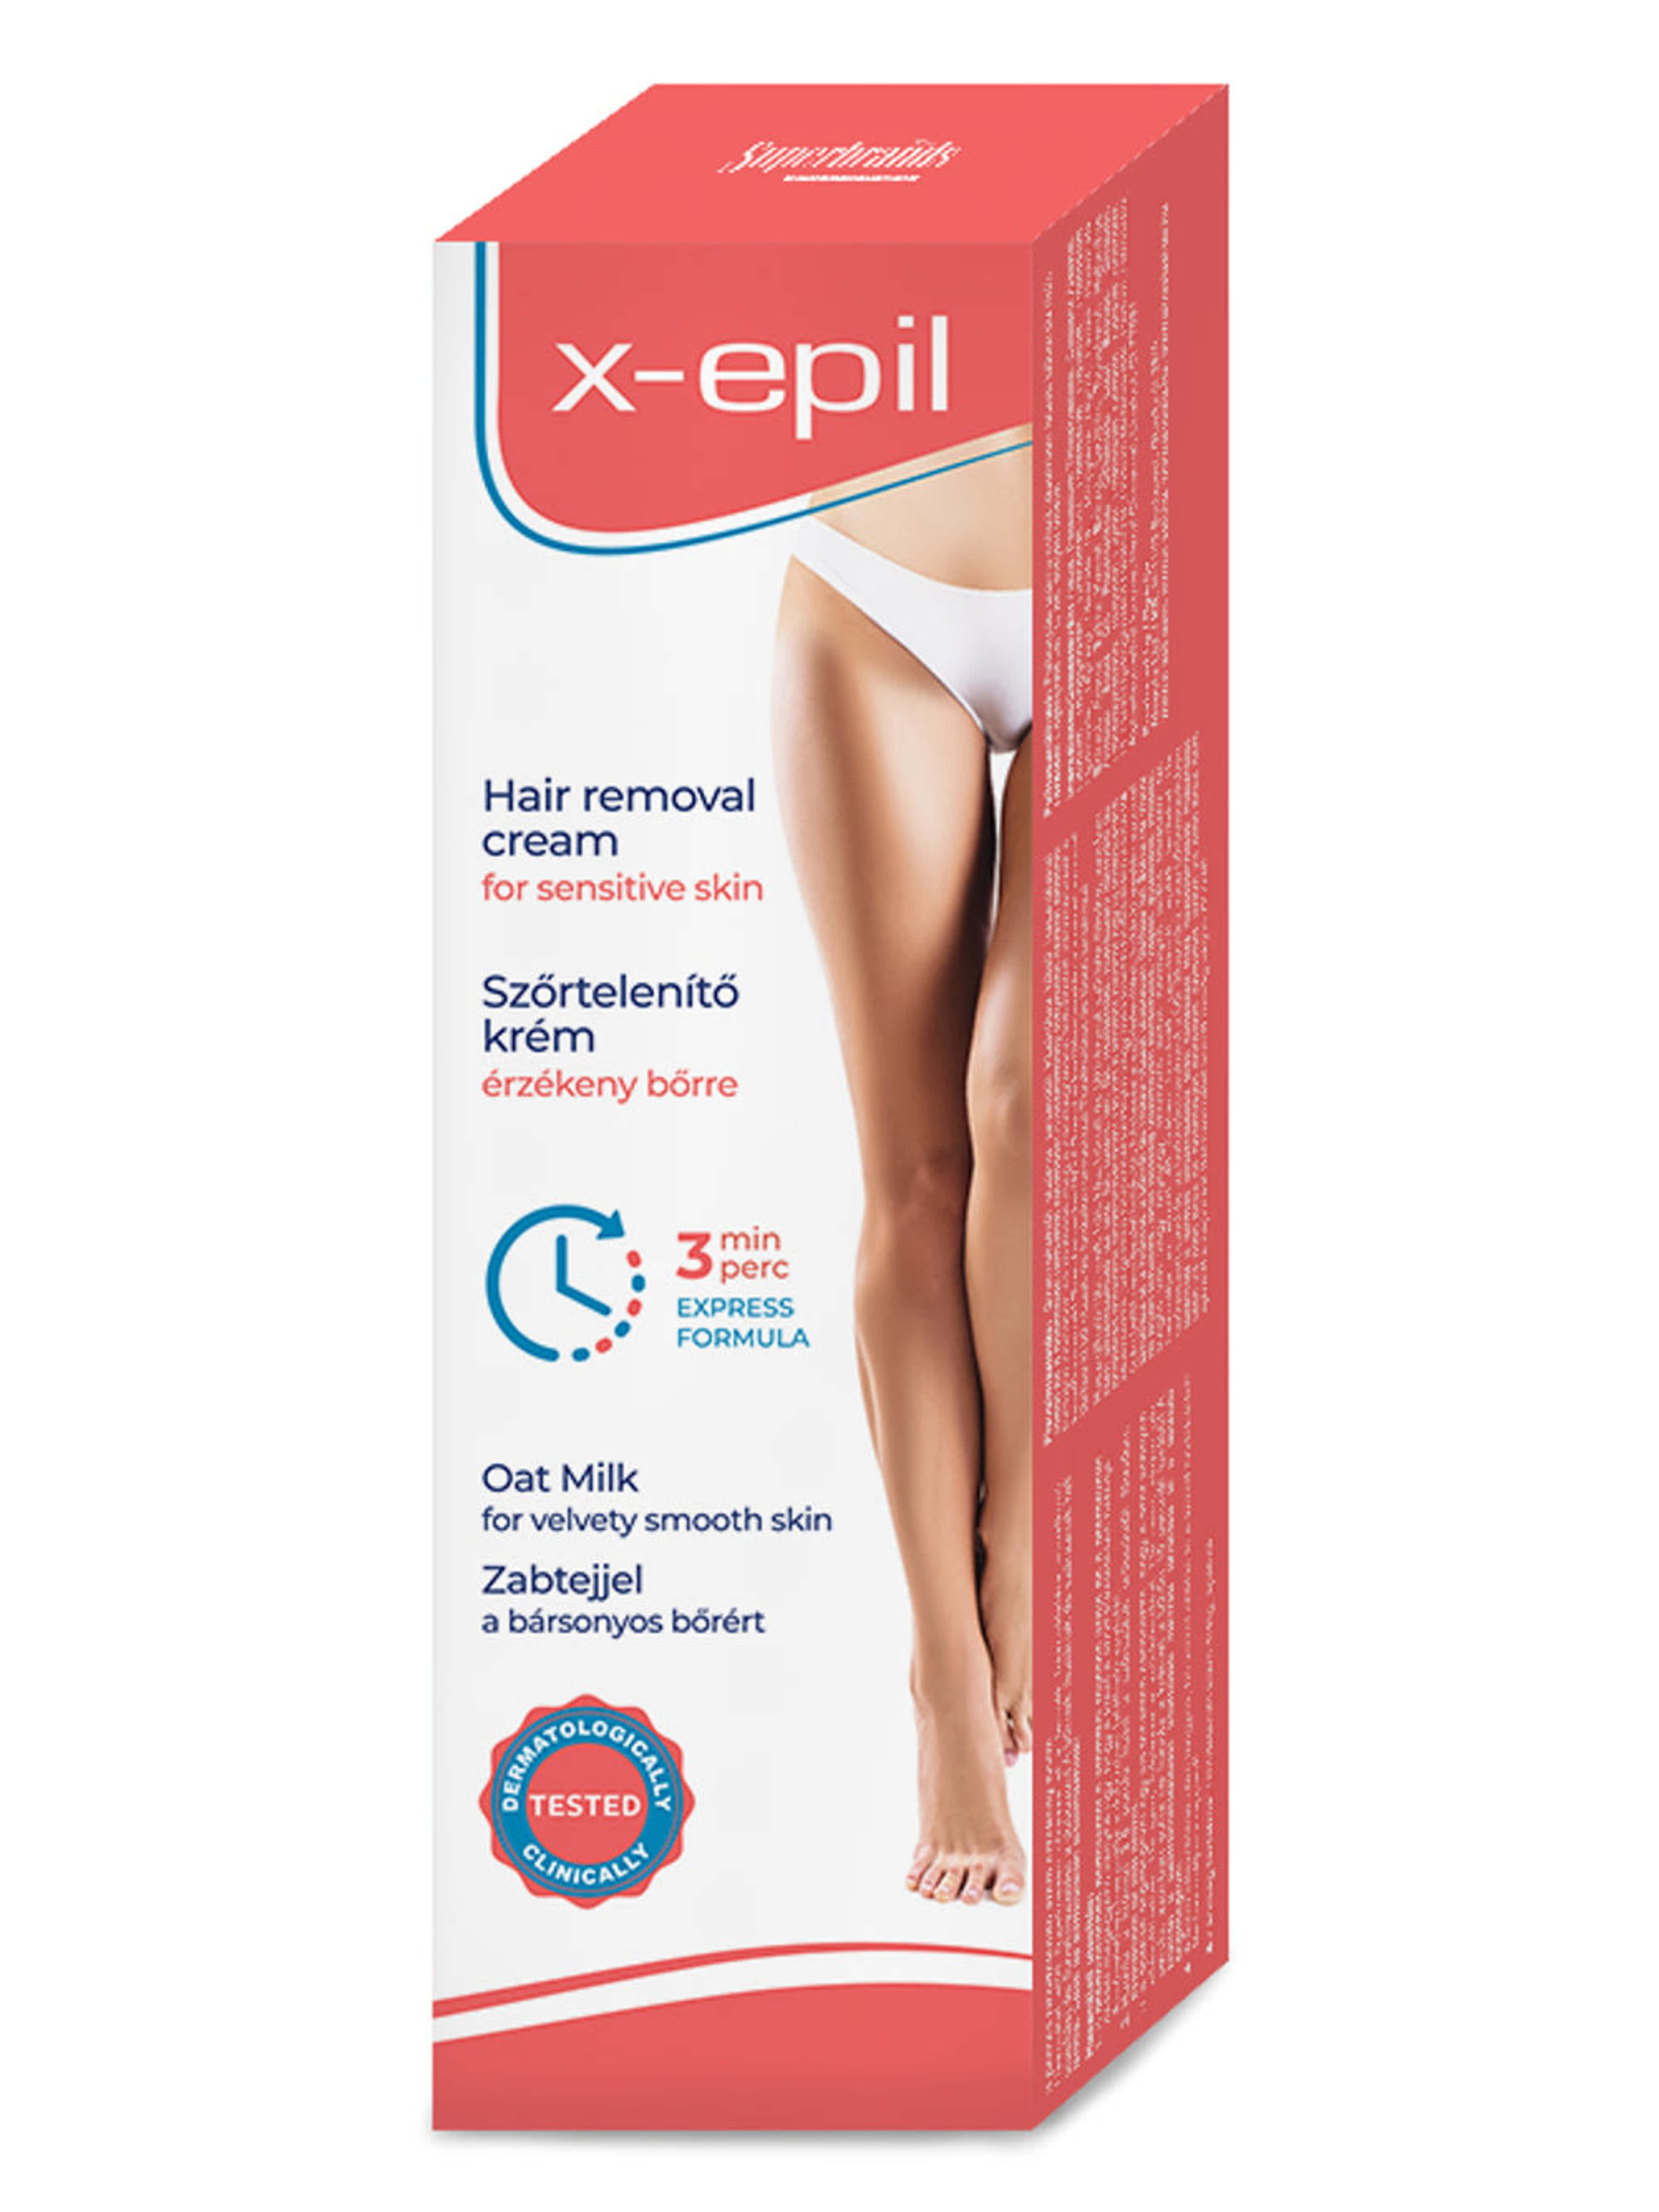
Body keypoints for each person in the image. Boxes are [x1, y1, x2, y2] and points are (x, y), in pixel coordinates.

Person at [771, 430, 1033, 1908]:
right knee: (920, 1175)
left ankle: (1028, 1532)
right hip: (884, 574)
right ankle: (946, 1679)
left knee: (1030, 1098)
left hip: (1153, 567)